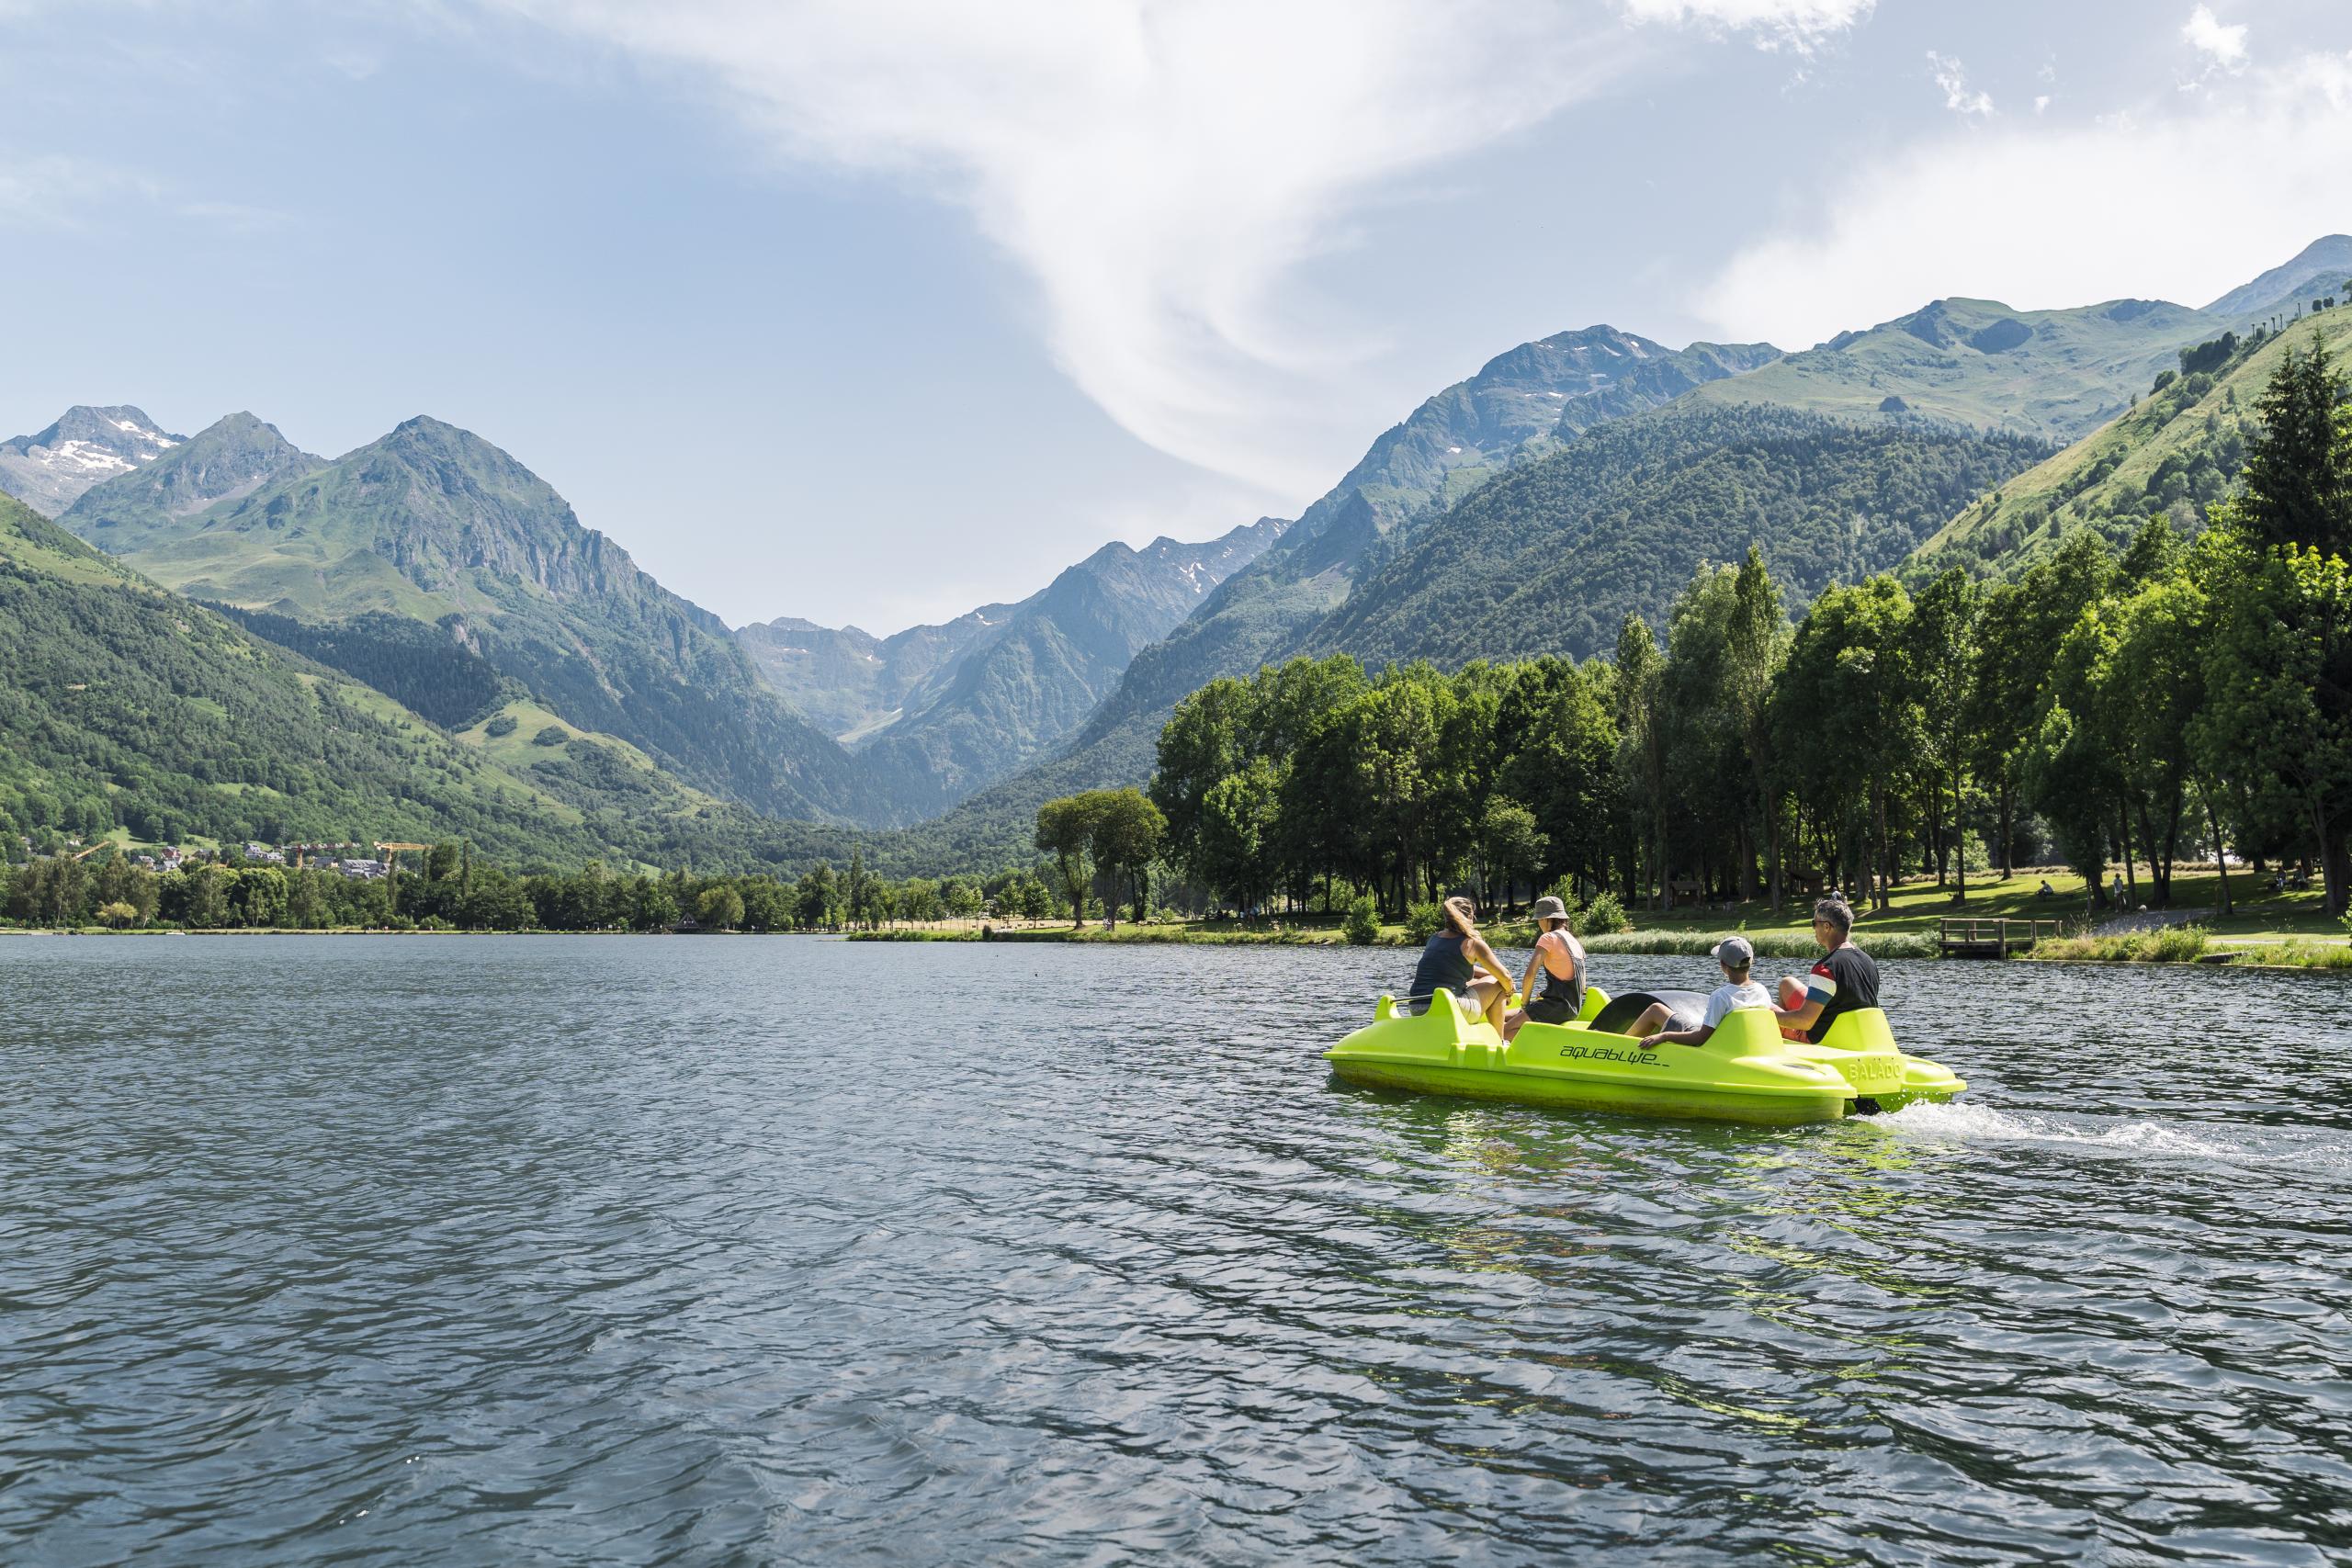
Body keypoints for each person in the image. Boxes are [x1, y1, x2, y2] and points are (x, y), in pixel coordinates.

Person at [1771, 897, 1881, 1044]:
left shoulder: (1825, 968)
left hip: (1823, 1038)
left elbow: (1805, 1022)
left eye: (1814, 923)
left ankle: (1781, 1045)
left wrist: (1768, 1016)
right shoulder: (1868, 961)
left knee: (1762, 1005)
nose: (1813, 929)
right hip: (1857, 1032)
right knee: (1787, 983)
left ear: (1827, 927)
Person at [1634, 936, 1770, 1049]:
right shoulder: (1761, 990)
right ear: (1751, 961)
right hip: (1737, 1044)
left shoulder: (1721, 996)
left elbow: (1700, 1038)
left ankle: (1619, 1048)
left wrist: (1665, 1036)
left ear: (1723, 965)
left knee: (1655, 1009)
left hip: (1711, 1044)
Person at [1407, 895, 1514, 1032]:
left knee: (1487, 978)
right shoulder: (1473, 943)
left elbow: (1454, 966)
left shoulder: (1434, 938)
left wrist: (1489, 973)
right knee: (1498, 981)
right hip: (1448, 1012)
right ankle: (1500, 1042)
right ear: (1469, 917)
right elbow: (1505, 976)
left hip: (1416, 1008)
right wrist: (1509, 991)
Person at [1503, 895, 1586, 1040]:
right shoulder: (1574, 941)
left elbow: (1530, 974)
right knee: (1502, 1017)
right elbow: (1581, 985)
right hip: (1572, 1008)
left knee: (1503, 1031)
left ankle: (1544, 1044)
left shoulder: (1548, 938)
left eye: (1539, 920)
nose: (1539, 924)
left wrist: (1525, 1004)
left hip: (1555, 1007)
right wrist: (1545, 994)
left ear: (1547, 919)